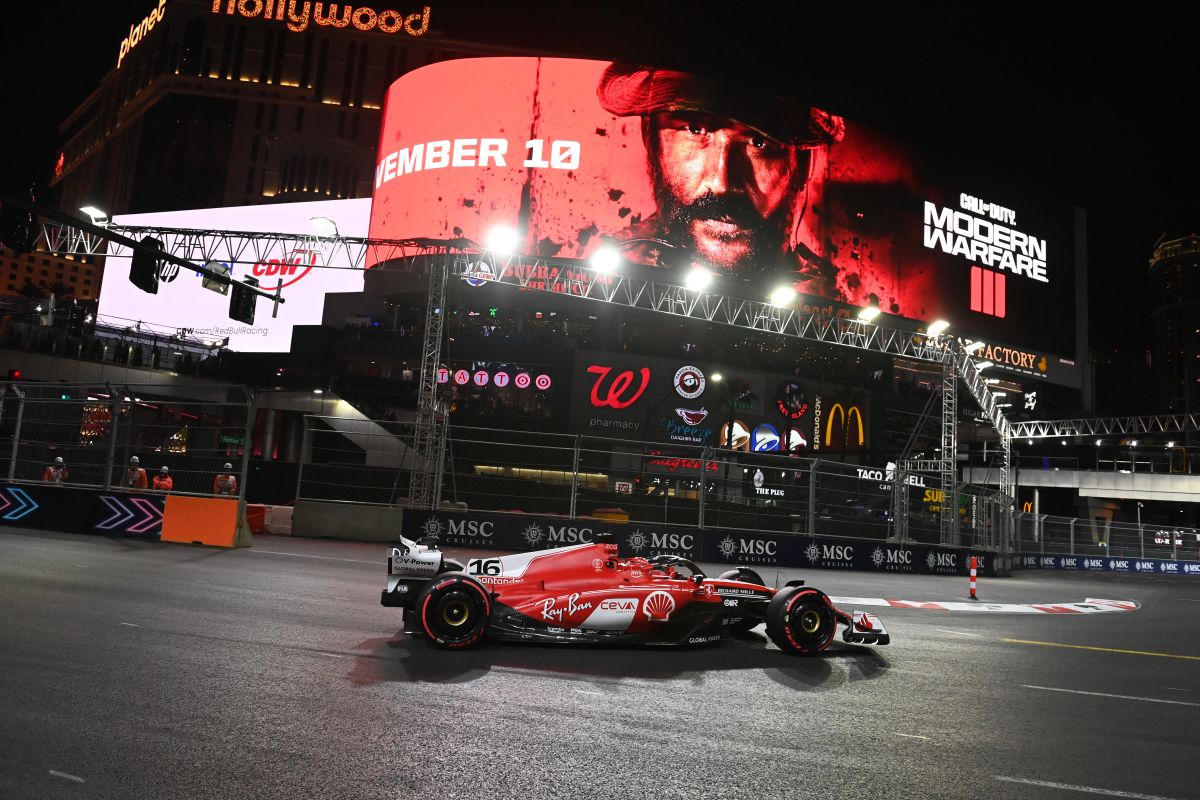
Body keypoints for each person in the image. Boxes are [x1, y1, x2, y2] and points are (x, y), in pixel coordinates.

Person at [596, 63, 843, 283]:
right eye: (694, 129)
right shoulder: (600, 281)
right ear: (650, 143)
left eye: (758, 143)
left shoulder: (834, 303)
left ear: (803, 167)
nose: (721, 183)